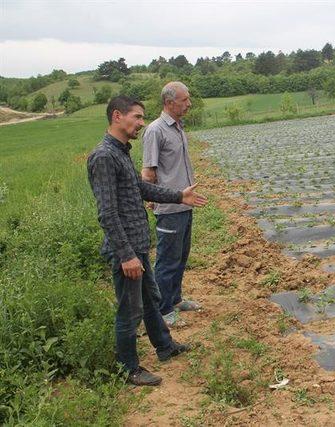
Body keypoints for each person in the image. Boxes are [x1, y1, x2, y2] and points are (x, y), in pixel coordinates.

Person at [87, 96, 207, 386]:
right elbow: (107, 213)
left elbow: (140, 187)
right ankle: (129, 369)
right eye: (137, 117)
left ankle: (165, 346)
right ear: (117, 116)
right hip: (126, 250)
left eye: (142, 118)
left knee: (150, 301)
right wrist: (126, 255)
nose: (142, 123)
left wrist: (179, 195)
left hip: (137, 246)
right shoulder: (104, 156)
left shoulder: (120, 152)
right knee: (129, 311)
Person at [142, 82, 200, 328]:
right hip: (169, 208)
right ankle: (163, 310)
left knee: (180, 257)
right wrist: (152, 199)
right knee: (166, 261)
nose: (189, 104)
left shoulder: (177, 127)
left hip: (184, 205)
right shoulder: (156, 131)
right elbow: (148, 173)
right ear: (169, 102)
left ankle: (175, 300)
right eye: (184, 100)